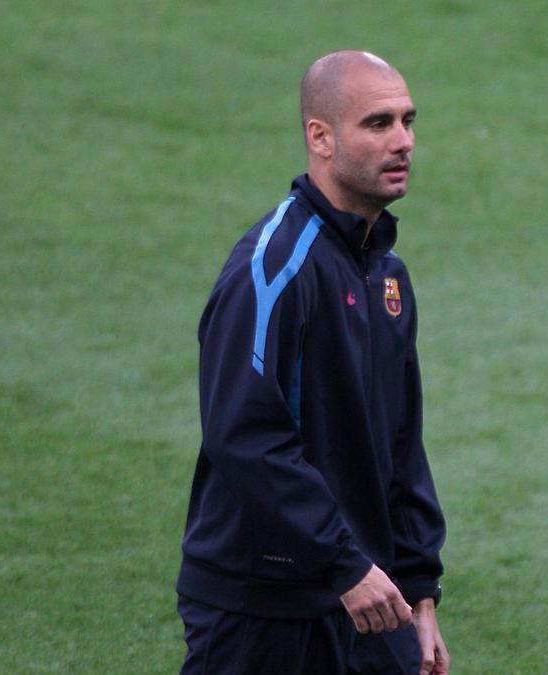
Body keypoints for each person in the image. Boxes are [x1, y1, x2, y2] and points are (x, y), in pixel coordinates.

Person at [176, 50, 449, 674]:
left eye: (408, 121)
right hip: (264, 607)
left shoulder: (387, 273)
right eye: (378, 124)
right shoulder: (272, 270)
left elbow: (400, 444)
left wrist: (420, 588)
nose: (402, 141)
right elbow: (244, 434)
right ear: (319, 137)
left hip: (371, 599)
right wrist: (343, 564)